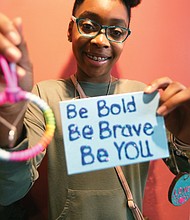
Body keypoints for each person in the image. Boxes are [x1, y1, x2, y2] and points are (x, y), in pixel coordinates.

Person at [0, 0, 190, 219]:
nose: (101, 41)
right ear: (71, 30)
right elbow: (9, 191)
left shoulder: (143, 96)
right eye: (89, 26)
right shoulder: (45, 96)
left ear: (125, 37)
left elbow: (182, 169)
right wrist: (10, 117)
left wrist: (186, 139)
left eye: (116, 31)